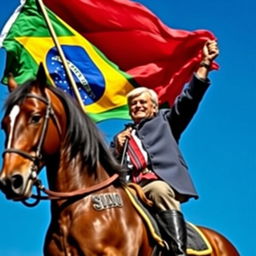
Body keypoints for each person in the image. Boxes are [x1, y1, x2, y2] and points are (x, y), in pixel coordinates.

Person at [110, 40, 219, 256]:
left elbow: (189, 101)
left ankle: (177, 251)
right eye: (133, 105)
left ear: (154, 106)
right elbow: (105, 168)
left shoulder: (166, 122)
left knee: (159, 190)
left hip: (155, 183)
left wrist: (204, 66)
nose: (138, 106)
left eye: (143, 102)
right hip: (128, 189)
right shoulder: (122, 136)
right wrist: (115, 149)